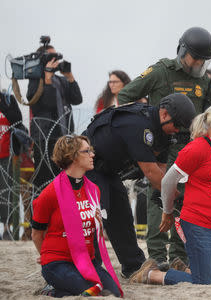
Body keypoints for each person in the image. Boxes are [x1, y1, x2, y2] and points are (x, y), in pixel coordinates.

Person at [118, 27, 211, 270]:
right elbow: (125, 96)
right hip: (161, 145)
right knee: (159, 198)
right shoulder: (161, 71)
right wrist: (142, 127)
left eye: (203, 60)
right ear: (183, 51)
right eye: (195, 58)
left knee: (186, 201)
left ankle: (180, 256)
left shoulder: (204, 79)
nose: (198, 63)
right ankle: (158, 255)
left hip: (190, 146)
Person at [130, 99, 211, 285]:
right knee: (203, 280)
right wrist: (167, 211)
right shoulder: (196, 148)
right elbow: (168, 181)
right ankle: (151, 275)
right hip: (200, 224)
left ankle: (185, 267)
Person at [83, 93, 196, 278]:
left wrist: (168, 200)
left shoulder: (163, 132)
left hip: (109, 170)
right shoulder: (138, 125)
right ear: (165, 114)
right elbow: (151, 173)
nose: (177, 130)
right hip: (89, 165)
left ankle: (133, 267)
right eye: (176, 125)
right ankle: (88, 268)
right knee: (97, 215)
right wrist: (177, 199)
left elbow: (162, 171)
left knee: (122, 214)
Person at [31, 135, 122, 297]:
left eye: (91, 151)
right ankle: (53, 290)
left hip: (86, 261)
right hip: (58, 263)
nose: (92, 155)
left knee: (114, 292)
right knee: (93, 292)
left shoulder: (94, 189)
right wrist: (45, 255)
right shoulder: (50, 193)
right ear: (72, 157)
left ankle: (59, 291)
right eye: (87, 151)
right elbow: (36, 234)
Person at [26, 41, 82, 192]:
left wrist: (70, 77)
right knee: (46, 183)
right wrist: (47, 77)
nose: (55, 60)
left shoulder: (61, 80)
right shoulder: (35, 82)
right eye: (51, 57)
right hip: (46, 139)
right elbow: (47, 103)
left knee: (66, 182)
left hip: (64, 138)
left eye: (56, 57)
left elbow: (77, 99)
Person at [0, 91, 27, 239]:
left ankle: (7, 227)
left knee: (7, 191)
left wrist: (3, 105)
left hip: (6, 154)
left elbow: (17, 120)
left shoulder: (7, 99)